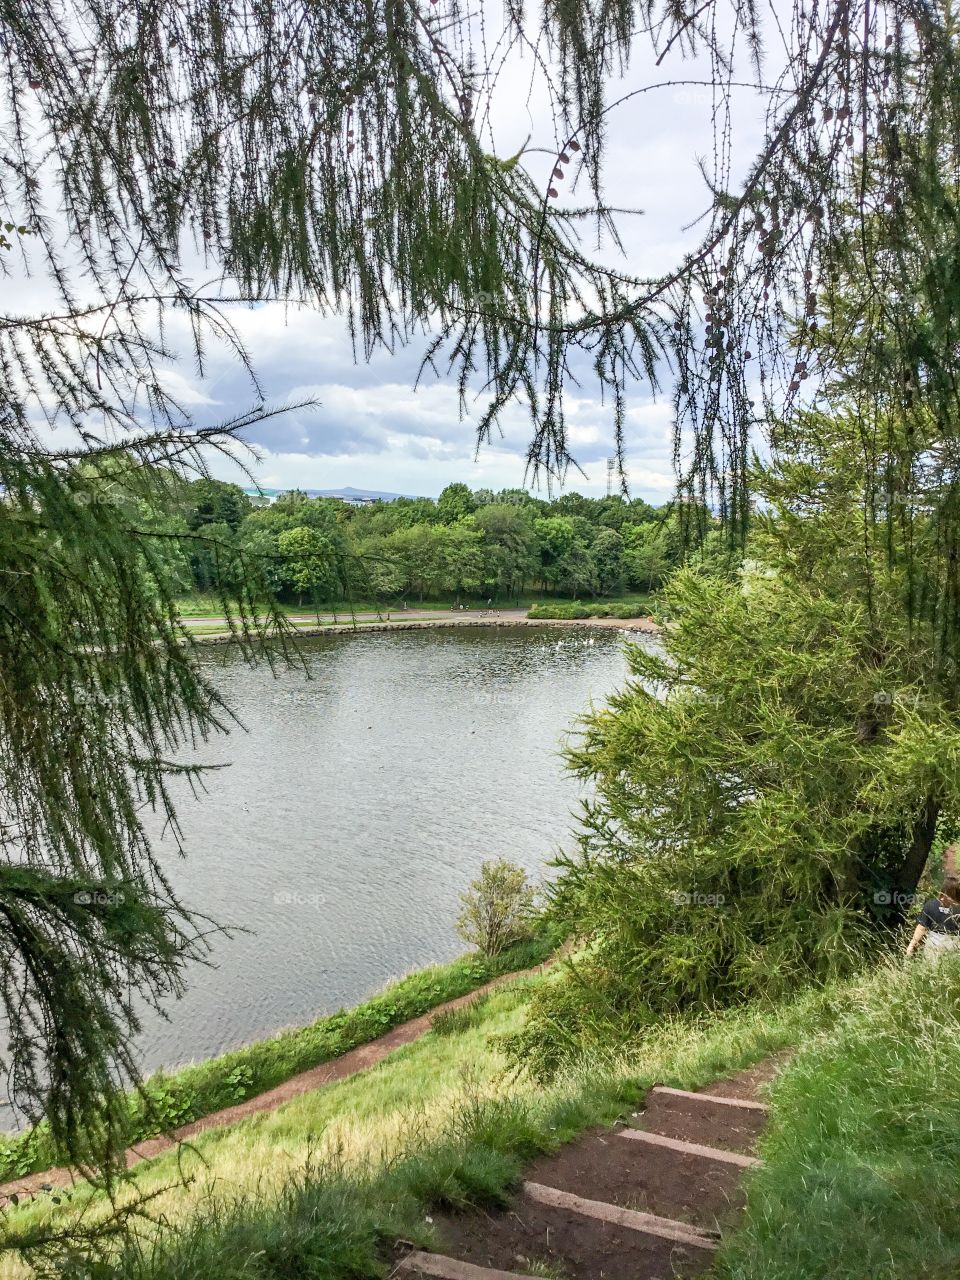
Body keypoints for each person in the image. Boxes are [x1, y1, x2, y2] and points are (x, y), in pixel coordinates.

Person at [905, 874, 960, 959]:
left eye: (946, 896)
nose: (941, 899)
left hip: (944, 948)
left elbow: (921, 927)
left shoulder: (930, 905)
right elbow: (921, 928)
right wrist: (912, 945)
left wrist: (912, 945)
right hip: (939, 949)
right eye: (941, 895)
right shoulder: (930, 905)